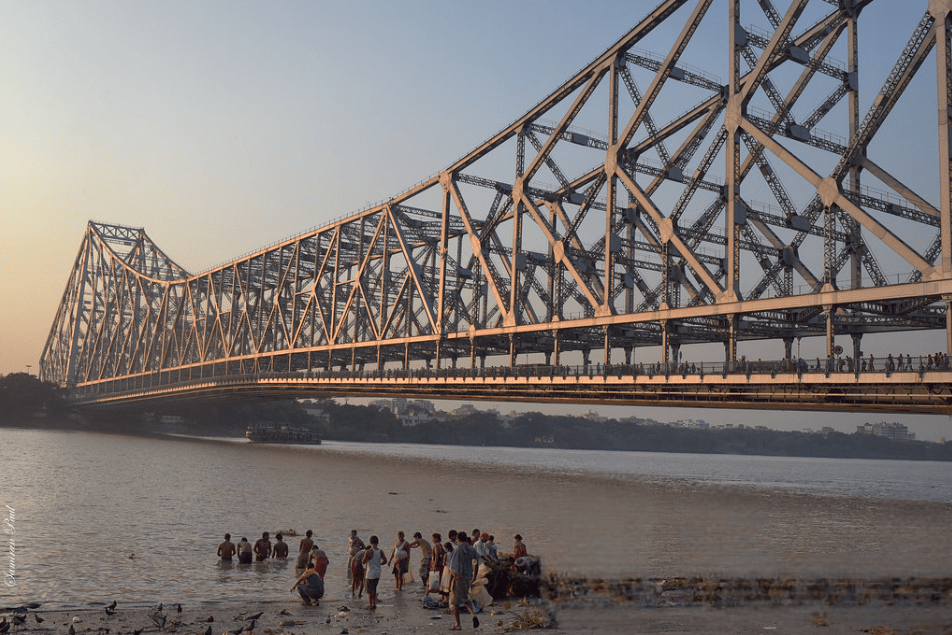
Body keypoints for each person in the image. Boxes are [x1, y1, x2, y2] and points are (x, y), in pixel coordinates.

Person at [448, 532, 479, 630]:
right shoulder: (472, 549)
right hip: (468, 577)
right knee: (465, 598)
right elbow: (477, 562)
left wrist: (449, 583)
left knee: (455, 602)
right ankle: (473, 614)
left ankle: (458, 624)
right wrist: (474, 576)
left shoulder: (457, 550)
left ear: (458, 539)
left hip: (459, 578)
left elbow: (453, 568)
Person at [361, 535, 388, 610]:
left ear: (370, 542)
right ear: (377, 542)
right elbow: (385, 561)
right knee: (374, 589)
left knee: (370, 591)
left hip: (370, 573)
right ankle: (373, 604)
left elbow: (363, 562)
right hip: (378, 572)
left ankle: (371, 605)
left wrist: (365, 556)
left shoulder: (369, 552)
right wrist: (379, 564)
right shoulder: (380, 551)